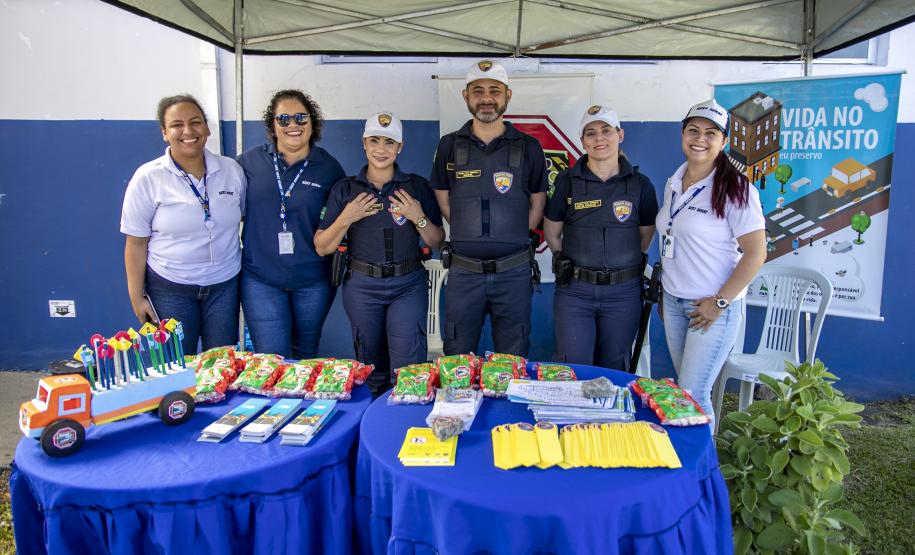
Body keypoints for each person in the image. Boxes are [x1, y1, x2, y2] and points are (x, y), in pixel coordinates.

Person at [655, 99, 767, 426]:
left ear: (724, 141)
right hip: (675, 301)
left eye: (711, 133)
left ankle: (706, 457)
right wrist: (667, 292)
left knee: (694, 394)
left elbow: (756, 254)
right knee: (684, 392)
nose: (700, 139)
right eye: (693, 130)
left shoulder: (737, 189)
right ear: (682, 135)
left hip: (712, 307)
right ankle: (690, 453)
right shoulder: (675, 182)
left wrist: (719, 302)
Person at [316, 113, 444, 395]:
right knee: (371, 370)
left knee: (408, 372)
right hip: (362, 286)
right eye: (374, 141)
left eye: (389, 142)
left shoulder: (416, 186)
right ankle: (374, 419)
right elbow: (322, 246)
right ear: (364, 143)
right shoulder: (346, 189)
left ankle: (405, 419)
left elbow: (437, 240)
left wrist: (418, 216)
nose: (381, 149)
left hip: (407, 285)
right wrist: (347, 217)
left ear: (400, 146)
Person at [430, 59, 548, 357]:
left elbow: (538, 201)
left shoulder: (529, 146)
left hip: (513, 273)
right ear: (465, 96)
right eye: (478, 91)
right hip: (464, 272)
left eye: (494, 91)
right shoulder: (449, 145)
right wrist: (467, 228)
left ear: (508, 95)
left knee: (512, 357)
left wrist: (512, 234)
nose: (486, 98)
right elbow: (442, 196)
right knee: (457, 355)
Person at [121, 94, 246, 355]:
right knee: (175, 365)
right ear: (164, 133)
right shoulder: (148, 177)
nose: (188, 131)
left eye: (195, 122)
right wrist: (137, 298)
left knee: (221, 363)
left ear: (207, 128)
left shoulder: (231, 170)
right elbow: (136, 243)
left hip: (224, 287)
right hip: (170, 288)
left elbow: (243, 215)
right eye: (177, 125)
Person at [543, 106, 658, 370]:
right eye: (591, 133)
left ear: (620, 135)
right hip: (575, 292)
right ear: (583, 141)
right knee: (572, 366)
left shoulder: (640, 184)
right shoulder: (566, 182)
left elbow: (645, 237)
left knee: (614, 367)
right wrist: (571, 264)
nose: (599, 138)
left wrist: (618, 263)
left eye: (606, 131)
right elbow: (552, 231)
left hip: (623, 293)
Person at [237, 90, 345, 359]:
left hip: (313, 280)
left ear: (312, 122)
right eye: (283, 119)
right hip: (261, 279)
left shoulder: (329, 168)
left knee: (305, 355)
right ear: (272, 125)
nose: (293, 125)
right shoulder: (248, 162)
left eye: (300, 118)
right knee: (271, 359)